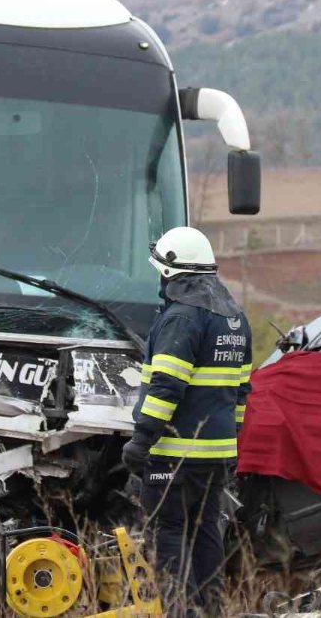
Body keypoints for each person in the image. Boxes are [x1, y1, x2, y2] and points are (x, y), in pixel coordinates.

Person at [121, 226, 253, 617]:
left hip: (174, 455)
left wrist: (141, 440)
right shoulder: (234, 319)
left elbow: (165, 386)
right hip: (216, 456)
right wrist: (232, 440)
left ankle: (181, 612)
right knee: (205, 532)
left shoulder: (182, 319)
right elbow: (241, 392)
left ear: (171, 272)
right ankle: (211, 611)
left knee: (171, 534)